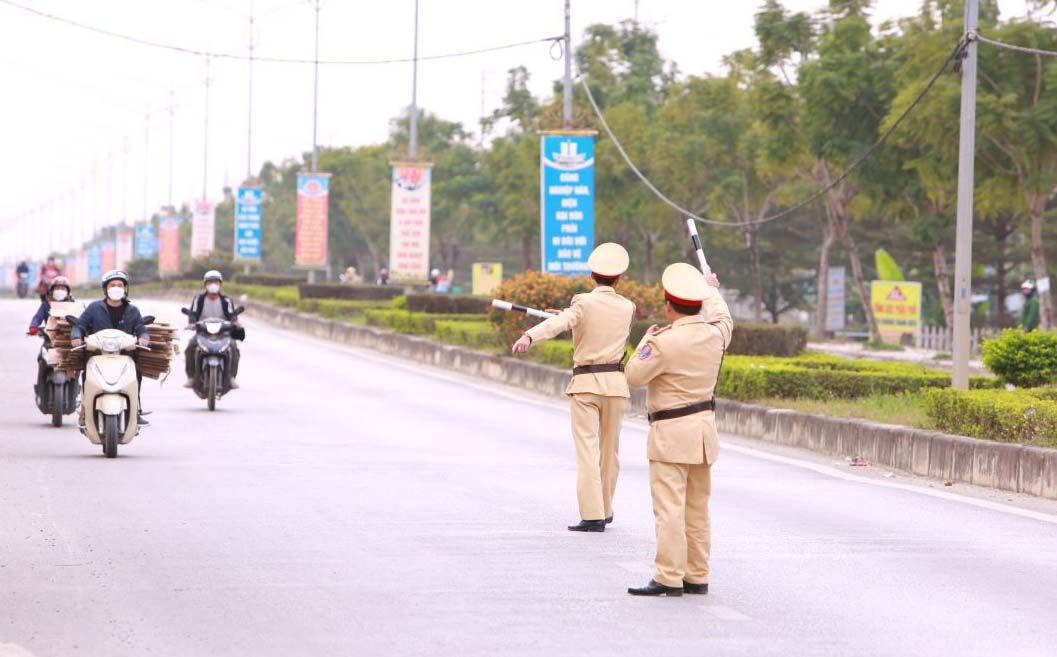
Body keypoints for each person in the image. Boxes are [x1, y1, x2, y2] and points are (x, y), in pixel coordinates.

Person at [625, 263, 732, 597]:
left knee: (669, 508)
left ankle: (669, 576)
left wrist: (646, 339)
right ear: (699, 303)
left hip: (671, 434)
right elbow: (724, 316)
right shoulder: (716, 335)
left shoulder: (664, 342)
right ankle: (697, 574)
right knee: (697, 509)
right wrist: (710, 287)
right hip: (703, 433)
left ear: (668, 305)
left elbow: (633, 376)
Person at [511, 243, 634, 532]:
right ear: (619, 278)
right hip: (616, 385)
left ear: (592, 275)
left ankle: (592, 516)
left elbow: (562, 324)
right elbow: (592, 323)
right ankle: (605, 508)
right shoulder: (628, 307)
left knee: (587, 451)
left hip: (587, 385)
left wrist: (529, 335)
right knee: (609, 451)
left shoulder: (583, 303)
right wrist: (570, 314)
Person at [71, 270, 151, 429]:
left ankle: (135, 410)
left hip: (124, 356)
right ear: (105, 289)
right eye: (112, 285)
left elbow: (141, 328)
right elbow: (79, 325)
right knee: (87, 376)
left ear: (125, 288)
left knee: (137, 375)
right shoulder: (94, 308)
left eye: (120, 285)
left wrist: (144, 338)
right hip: (98, 355)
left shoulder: (133, 311)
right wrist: (76, 336)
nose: (116, 288)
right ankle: (86, 410)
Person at [184, 270, 242, 388]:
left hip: (223, 333)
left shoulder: (226, 300)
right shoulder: (198, 299)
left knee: (234, 348)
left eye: (216, 281)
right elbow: (193, 314)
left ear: (220, 284)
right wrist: (191, 323)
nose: (213, 284)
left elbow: (232, 315)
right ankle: (191, 377)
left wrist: (236, 323)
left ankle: (231, 377)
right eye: (210, 282)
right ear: (205, 284)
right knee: (190, 346)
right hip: (203, 333)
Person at [27, 276, 75, 399]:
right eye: (57, 288)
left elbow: (82, 320)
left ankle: (75, 391)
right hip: (50, 342)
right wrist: (33, 327)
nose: (60, 291)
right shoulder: (46, 305)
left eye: (63, 288)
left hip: (68, 343)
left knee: (77, 365)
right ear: (52, 290)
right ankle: (40, 388)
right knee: (41, 359)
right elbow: (37, 318)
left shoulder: (73, 305)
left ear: (68, 291)